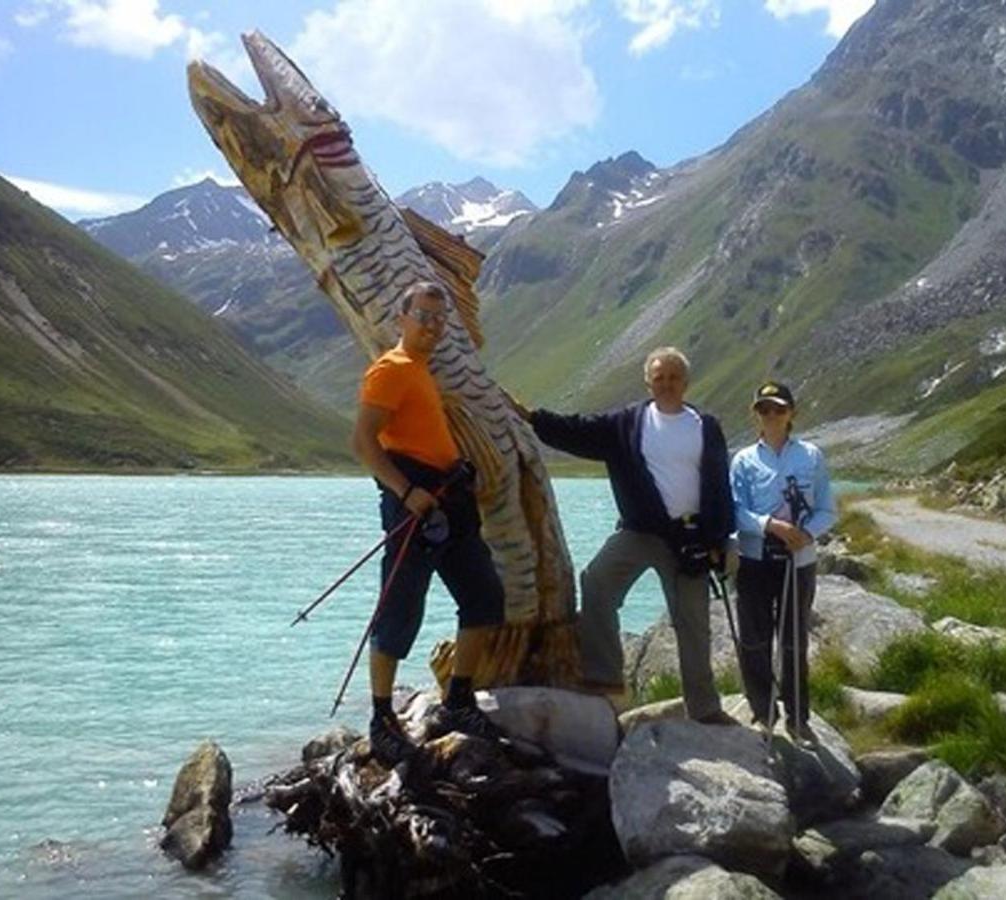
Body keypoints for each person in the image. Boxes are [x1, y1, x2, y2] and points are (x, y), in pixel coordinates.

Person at [518, 347, 737, 725]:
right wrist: (532, 417)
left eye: (673, 377)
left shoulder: (705, 425)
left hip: (690, 538)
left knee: (694, 623)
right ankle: (605, 680)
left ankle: (705, 709)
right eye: (659, 377)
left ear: (685, 382)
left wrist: (720, 539)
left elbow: (719, 485)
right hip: (639, 532)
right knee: (597, 582)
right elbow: (577, 430)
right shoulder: (626, 424)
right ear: (648, 382)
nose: (666, 384)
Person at [351, 280, 505, 766]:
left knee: (484, 597)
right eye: (424, 316)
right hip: (414, 502)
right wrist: (406, 491)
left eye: (440, 319)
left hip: (448, 498)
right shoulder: (391, 369)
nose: (433, 327)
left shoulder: (420, 370)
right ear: (402, 317)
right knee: (400, 609)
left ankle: (457, 702)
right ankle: (381, 719)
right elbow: (362, 442)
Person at [729, 380, 836, 739]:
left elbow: (826, 508)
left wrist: (805, 535)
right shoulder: (743, 460)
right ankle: (762, 710)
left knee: (793, 641)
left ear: (791, 413)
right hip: (755, 559)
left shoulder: (811, 456)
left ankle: (798, 715)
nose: (771, 415)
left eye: (778, 408)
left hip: (798, 560)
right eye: (764, 409)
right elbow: (735, 509)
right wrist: (769, 525)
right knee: (754, 639)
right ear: (755, 414)